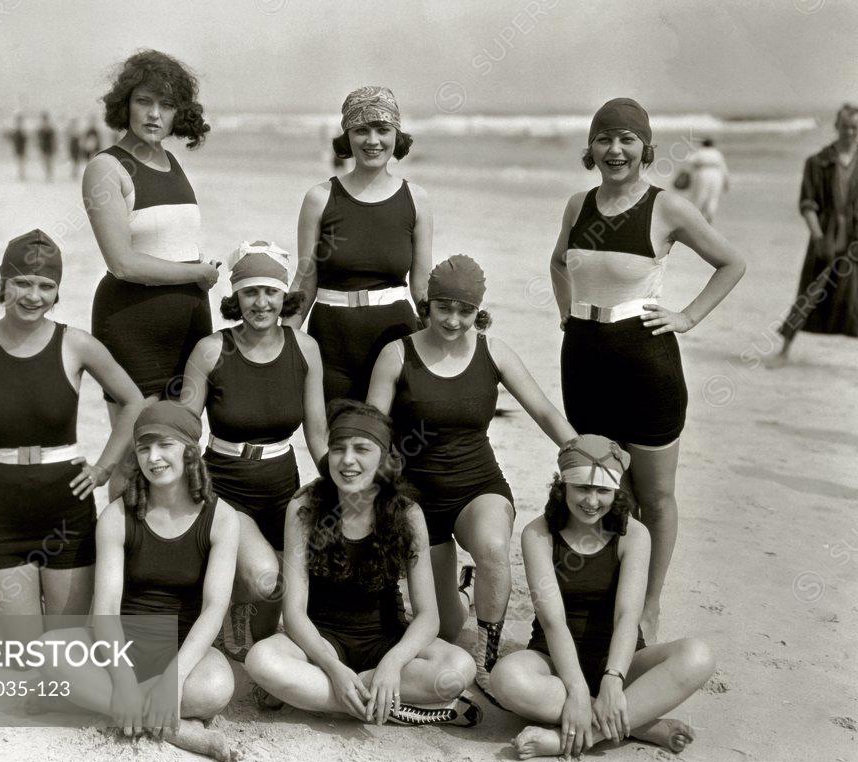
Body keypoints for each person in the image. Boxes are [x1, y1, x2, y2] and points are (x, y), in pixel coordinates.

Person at [550, 98, 746, 642]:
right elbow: (558, 261)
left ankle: (649, 605)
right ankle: (607, 593)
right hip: (584, 362)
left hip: (647, 365)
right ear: (590, 147)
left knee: (654, 496)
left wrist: (687, 316)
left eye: (627, 139)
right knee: (600, 484)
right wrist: (569, 313)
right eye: (604, 139)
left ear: (645, 147)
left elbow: (732, 262)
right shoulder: (577, 205)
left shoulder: (668, 209)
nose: (615, 150)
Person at [368, 255, 577, 702]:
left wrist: (582, 453)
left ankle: (486, 656)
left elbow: (542, 410)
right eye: (444, 307)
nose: (453, 319)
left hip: (477, 486)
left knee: (494, 550)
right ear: (427, 303)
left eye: (465, 310)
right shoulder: (396, 354)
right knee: (444, 626)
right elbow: (372, 429)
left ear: (477, 310)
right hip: (416, 497)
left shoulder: (493, 352)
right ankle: (462, 593)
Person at [0, 230, 143, 644]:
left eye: (47, 286)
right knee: (23, 653)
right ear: (3, 283)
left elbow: (133, 402)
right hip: (1, 513)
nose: (34, 295)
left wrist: (103, 469)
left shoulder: (75, 344)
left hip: (66, 510)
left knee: (66, 647)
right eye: (22, 283)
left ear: (58, 291)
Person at [245, 400, 482, 727]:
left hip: (386, 639)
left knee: (459, 669)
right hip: (321, 640)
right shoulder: (304, 507)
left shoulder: (407, 512)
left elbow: (427, 617)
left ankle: (339, 697)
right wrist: (334, 668)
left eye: (362, 449)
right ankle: (390, 706)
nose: (348, 460)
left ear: (384, 458)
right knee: (261, 660)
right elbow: (295, 613)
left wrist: (392, 665)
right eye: (338, 449)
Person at [38, 402, 241, 762]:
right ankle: (176, 729)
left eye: (165, 445)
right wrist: (124, 681)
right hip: (119, 648)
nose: (154, 457)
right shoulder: (117, 516)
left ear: (190, 451)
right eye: (144, 447)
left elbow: (214, 609)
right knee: (49, 650)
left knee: (218, 686)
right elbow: (105, 610)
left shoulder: (222, 519)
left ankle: (135, 711)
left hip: (184, 651)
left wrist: (175, 678)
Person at [491, 436, 715, 759]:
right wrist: (577, 689)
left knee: (699, 655)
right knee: (505, 678)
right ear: (562, 485)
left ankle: (582, 736)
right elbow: (552, 622)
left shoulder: (634, 534)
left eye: (603, 490)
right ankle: (641, 725)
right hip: (556, 663)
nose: (593, 501)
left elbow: (627, 616)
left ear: (616, 491)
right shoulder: (537, 535)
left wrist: (613, 678)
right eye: (583, 488)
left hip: (621, 661)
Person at [180, 241, 327, 658]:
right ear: (236, 297)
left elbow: (317, 433)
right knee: (266, 578)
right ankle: (233, 600)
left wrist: (343, 489)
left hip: (283, 485)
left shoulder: (306, 348)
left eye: (270, 292)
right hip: (224, 487)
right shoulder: (211, 350)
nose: (261, 303)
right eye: (250, 292)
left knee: (277, 605)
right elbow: (186, 428)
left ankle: (238, 601)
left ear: (286, 296)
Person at [85, 50, 220, 496]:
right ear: (125, 103)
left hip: (188, 324)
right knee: (133, 450)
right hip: (132, 325)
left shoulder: (172, 162)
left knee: (179, 447)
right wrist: (196, 272)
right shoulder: (107, 167)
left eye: (166, 105)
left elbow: (172, 243)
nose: (155, 114)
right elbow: (122, 262)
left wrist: (200, 270)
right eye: (145, 101)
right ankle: (119, 558)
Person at [285, 86, 432, 403]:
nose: (373, 140)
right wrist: (282, 341)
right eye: (361, 130)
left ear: (397, 135)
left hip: (397, 340)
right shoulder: (319, 198)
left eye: (383, 129)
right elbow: (305, 280)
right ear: (347, 137)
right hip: (332, 344)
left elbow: (422, 288)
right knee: (339, 446)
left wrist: (452, 342)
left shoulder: (416, 200)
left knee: (394, 447)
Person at [769, 103, 858, 367]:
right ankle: (784, 351)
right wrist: (818, 238)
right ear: (836, 127)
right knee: (810, 292)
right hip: (826, 235)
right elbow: (807, 204)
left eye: (856, 128)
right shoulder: (817, 162)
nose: (851, 133)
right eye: (846, 127)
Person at [681, 138, 729, 223]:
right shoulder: (717, 153)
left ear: (703, 144)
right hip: (717, 174)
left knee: (700, 196)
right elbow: (724, 168)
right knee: (713, 197)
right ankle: (710, 215)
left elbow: (688, 161)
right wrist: (726, 182)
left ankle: (698, 218)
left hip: (703, 173)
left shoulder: (700, 151)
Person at [37, 112, 57, 182]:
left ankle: (49, 176)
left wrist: (54, 147)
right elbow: (38, 139)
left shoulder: (51, 129)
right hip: (43, 148)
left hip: (50, 148)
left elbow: (54, 139)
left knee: (50, 162)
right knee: (45, 163)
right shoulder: (40, 130)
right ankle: (47, 175)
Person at [7, 114, 27, 181]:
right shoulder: (16, 129)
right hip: (18, 147)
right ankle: (20, 174)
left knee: (21, 161)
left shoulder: (21, 129)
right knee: (20, 162)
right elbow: (11, 138)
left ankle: (21, 175)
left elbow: (25, 138)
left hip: (21, 147)